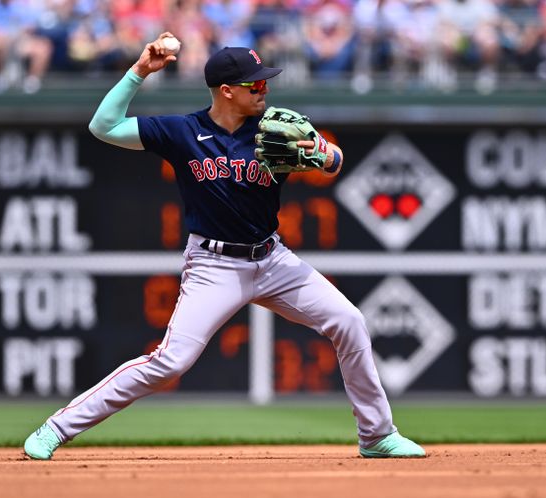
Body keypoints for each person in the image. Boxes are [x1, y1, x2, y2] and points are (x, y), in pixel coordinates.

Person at [22, 32, 426, 461]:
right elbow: (102, 126)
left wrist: (324, 154)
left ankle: (377, 435)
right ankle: (56, 428)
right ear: (227, 91)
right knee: (170, 363)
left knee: (348, 320)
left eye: (265, 81)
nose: (264, 89)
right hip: (213, 266)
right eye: (256, 84)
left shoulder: (275, 130)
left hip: (273, 260)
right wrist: (139, 71)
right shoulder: (183, 131)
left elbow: (334, 160)